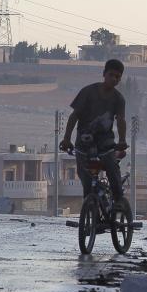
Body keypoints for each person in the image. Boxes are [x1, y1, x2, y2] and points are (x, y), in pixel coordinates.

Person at [59, 59, 127, 208]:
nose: (114, 79)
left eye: (118, 77)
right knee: (85, 176)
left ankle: (119, 201)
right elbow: (74, 116)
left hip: (105, 143)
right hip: (84, 142)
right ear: (104, 74)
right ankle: (89, 205)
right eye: (111, 75)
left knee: (112, 168)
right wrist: (66, 139)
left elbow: (121, 120)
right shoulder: (88, 92)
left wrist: (122, 141)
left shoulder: (118, 99)